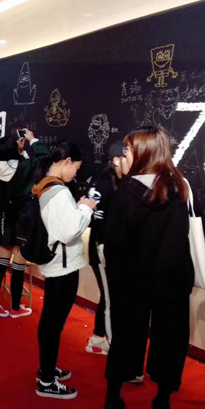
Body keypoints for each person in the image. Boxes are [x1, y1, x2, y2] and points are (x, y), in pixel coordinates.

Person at [103, 126, 193, 409]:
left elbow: (114, 245)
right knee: (170, 340)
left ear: (144, 152)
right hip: (173, 279)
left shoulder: (125, 193)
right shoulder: (179, 188)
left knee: (125, 337)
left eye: (128, 149)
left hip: (132, 280)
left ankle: (113, 397)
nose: (124, 154)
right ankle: (162, 399)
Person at [33, 141, 97, 399]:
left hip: (55, 263)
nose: (76, 174)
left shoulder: (44, 184)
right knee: (53, 322)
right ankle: (47, 381)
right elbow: (70, 231)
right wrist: (85, 209)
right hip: (62, 265)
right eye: (76, 168)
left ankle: (46, 370)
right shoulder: (59, 191)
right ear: (67, 161)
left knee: (51, 320)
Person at [0, 129, 49, 318]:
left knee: (1, 263)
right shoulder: (25, 166)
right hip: (23, 220)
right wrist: (32, 139)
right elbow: (45, 158)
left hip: (5, 219)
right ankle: (15, 308)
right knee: (19, 265)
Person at [85, 141, 126, 356]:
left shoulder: (103, 180)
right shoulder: (108, 183)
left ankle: (99, 337)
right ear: (117, 160)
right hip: (103, 247)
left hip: (103, 246)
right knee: (110, 298)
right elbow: (101, 219)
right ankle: (104, 341)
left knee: (109, 295)